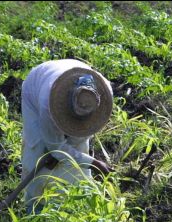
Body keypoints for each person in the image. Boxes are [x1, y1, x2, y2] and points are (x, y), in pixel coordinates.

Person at [21, 59, 113, 214]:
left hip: (66, 74)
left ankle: (75, 203)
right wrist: (93, 163)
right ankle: (35, 206)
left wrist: (74, 156)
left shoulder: (103, 96)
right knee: (38, 149)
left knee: (79, 149)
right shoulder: (46, 103)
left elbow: (76, 141)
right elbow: (55, 147)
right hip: (35, 89)